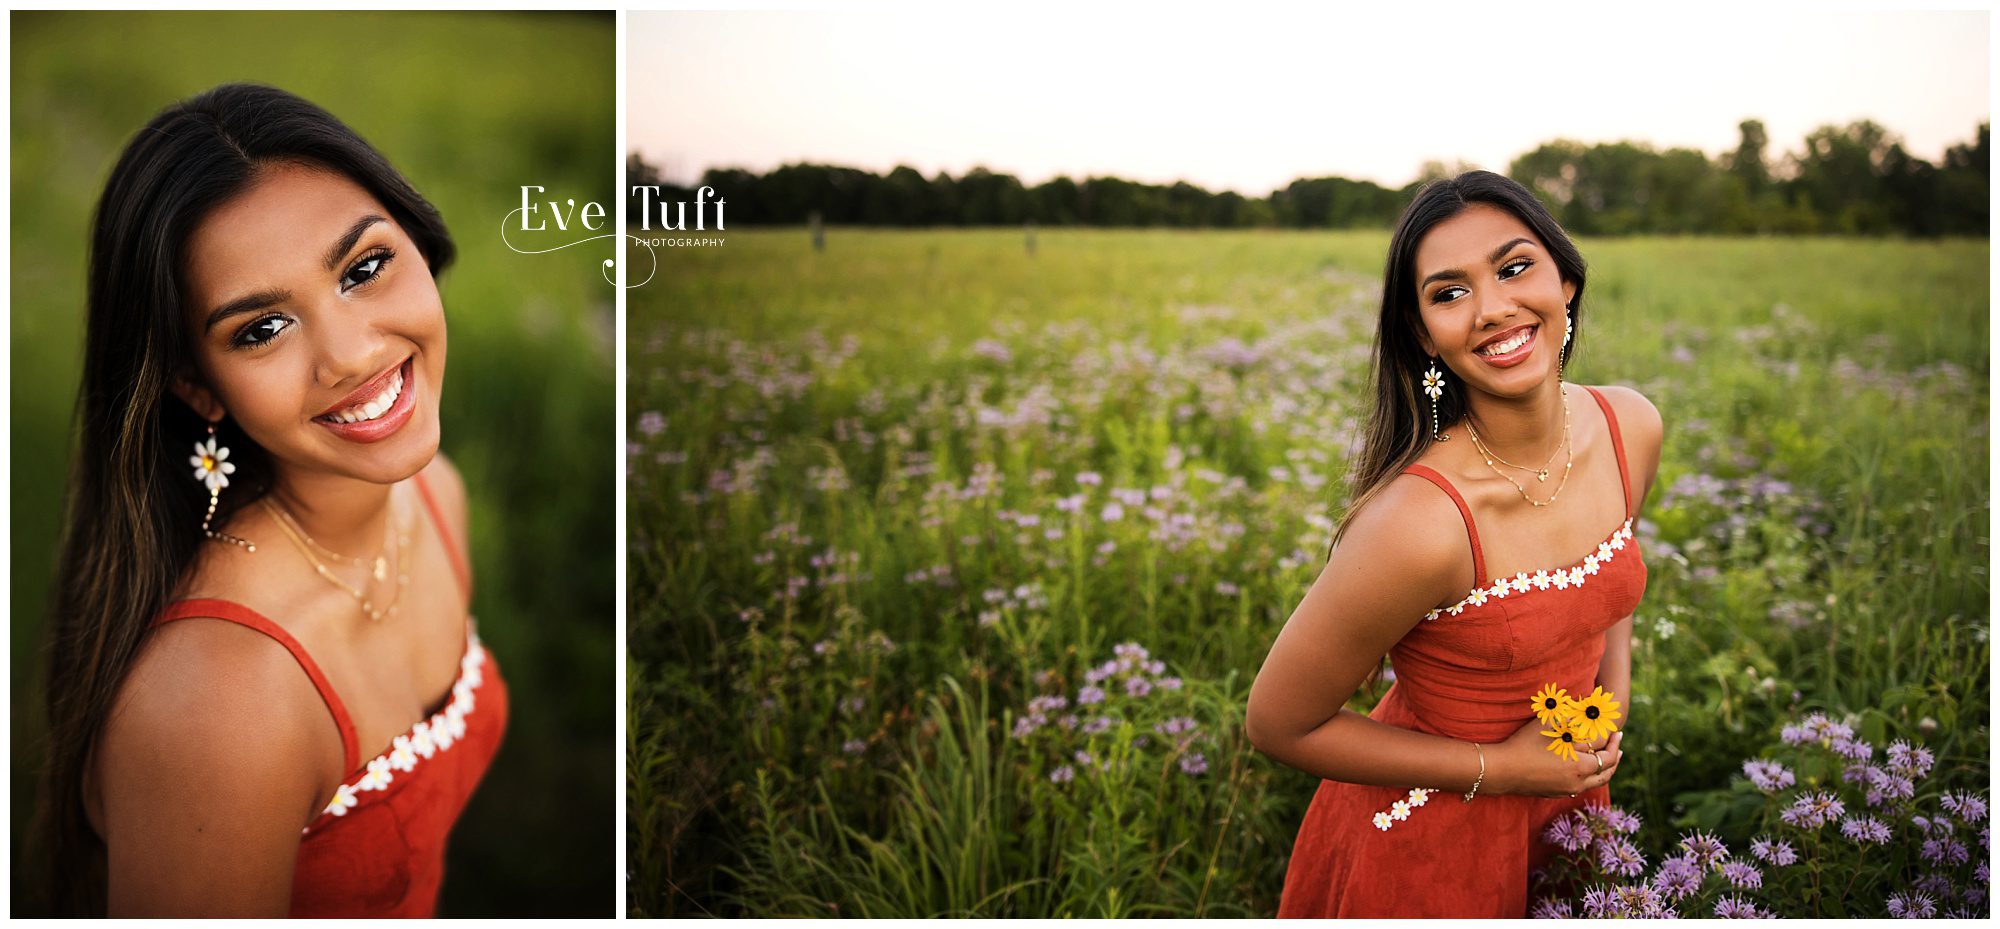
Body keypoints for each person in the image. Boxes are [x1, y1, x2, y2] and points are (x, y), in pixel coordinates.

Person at [33, 83, 506, 917]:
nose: (350, 354)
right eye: (261, 328)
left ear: (417, 242)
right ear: (197, 386)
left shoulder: (435, 494)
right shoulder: (217, 703)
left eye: (364, 268)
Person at [1245, 170, 1662, 917]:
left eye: (1513, 267)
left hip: (1570, 804)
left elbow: (1612, 585)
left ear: (1565, 278)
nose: (1493, 308)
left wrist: (1612, 697)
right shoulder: (1418, 524)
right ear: (1421, 333)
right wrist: (1501, 768)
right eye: (1448, 292)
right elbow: (1277, 721)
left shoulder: (1630, 428)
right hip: (1432, 839)